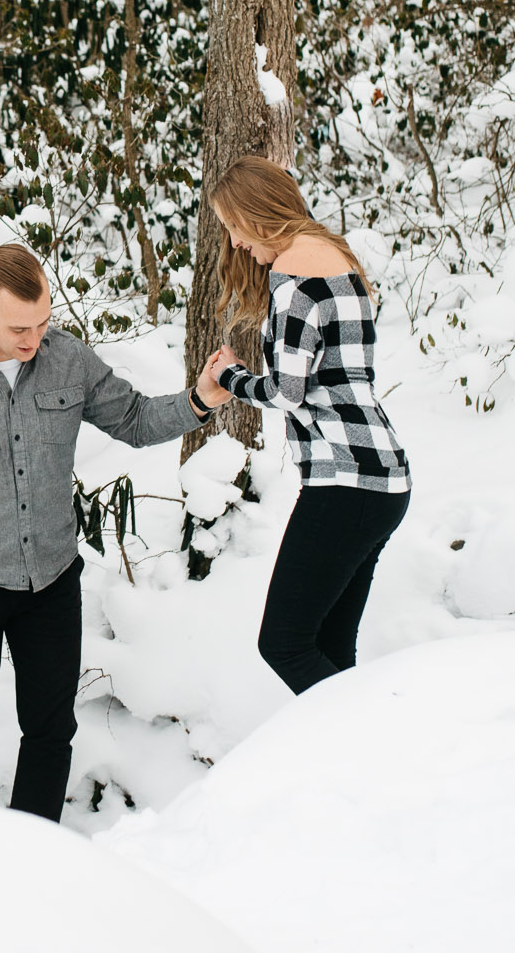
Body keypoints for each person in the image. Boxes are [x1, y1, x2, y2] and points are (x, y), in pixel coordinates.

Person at [0, 243, 231, 821]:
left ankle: (40, 859)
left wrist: (200, 401)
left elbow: (132, 419)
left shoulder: (68, 361)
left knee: (50, 732)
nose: (33, 339)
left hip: (52, 585)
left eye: (43, 322)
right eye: (18, 328)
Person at [201, 154, 412, 695]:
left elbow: (285, 392)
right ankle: (353, 766)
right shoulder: (339, 259)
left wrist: (232, 377)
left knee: (285, 643)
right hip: (381, 476)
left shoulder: (293, 279)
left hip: (346, 481)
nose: (238, 245)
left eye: (234, 228)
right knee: (330, 649)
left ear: (257, 212)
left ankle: (380, 745)